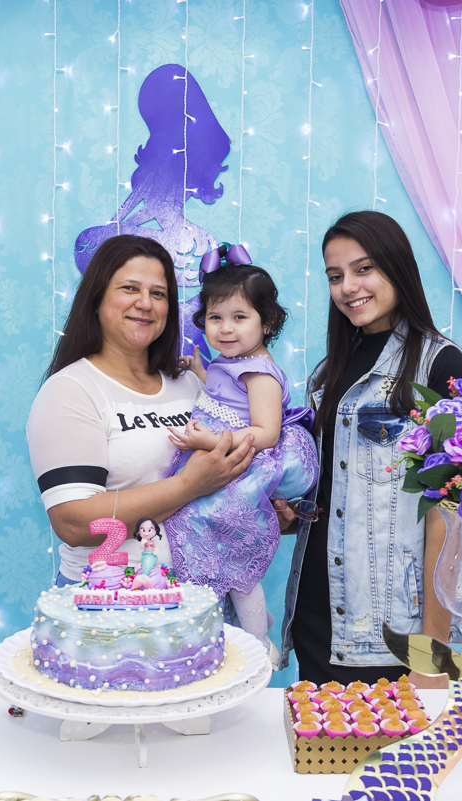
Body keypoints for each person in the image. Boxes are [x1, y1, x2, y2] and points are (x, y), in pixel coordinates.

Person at [278, 211, 462, 687]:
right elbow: (341, 492)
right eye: (335, 276)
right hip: (317, 609)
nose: (348, 287)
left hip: (391, 624)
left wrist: (433, 651)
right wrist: (292, 511)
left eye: (363, 269)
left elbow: (448, 515)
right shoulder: (328, 372)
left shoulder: (438, 363)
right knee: (322, 735)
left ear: (396, 267)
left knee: (397, 739)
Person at [27, 235, 255, 587]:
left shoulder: (189, 384)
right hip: (110, 599)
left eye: (159, 294)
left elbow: (224, 475)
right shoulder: (71, 390)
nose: (145, 303)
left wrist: (267, 506)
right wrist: (188, 485)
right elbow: (73, 522)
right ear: (96, 298)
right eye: (129, 288)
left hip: (196, 595)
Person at [163, 246, 318, 658]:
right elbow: (224, 397)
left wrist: (208, 443)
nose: (225, 329)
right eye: (215, 318)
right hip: (221, 462)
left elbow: (265, 433)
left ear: (267, 322)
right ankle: (249, 621)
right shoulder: (231, 360)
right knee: (203, 545)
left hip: (240, 469)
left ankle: (257, 643)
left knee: (231, 559)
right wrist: (200, 371)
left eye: (239, 317)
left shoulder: (259, 372)